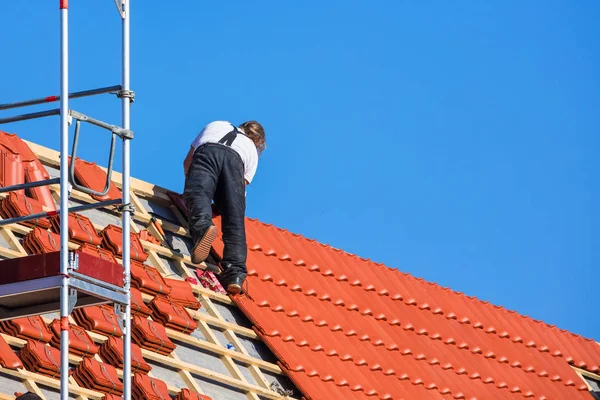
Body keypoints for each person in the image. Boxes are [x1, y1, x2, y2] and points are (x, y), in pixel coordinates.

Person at [183, 120, 266, 294]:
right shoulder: (251, 149)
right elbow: (237, 193)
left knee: (199, 194)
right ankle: (235, 273)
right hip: (236, 162)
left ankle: (203, 227)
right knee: (233, 220)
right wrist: (223, 206)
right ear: (258, 142)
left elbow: (188, 163)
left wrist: (191, 188)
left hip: (207, 152)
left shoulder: (216, 124)